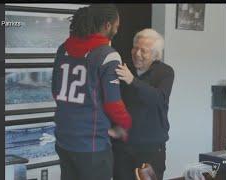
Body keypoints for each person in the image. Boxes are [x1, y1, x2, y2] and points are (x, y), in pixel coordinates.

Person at [51, 4, 132, 180]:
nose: (117, 31)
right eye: (117, 26)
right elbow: (113, 103)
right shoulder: (108, 55)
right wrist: (125, 124)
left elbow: (55, 92)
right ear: (107, 25)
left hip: (64, 139)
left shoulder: (63, 49)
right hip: (92, 145)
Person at [112, 28, 175, 180]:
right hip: (122, 145)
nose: (137, 54)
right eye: (135, 48)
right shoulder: (125, 68)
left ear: (155, 54)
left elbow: (159, 99)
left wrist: (132, 81)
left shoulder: (165, 72)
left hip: (150, 147)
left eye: (143, 51)